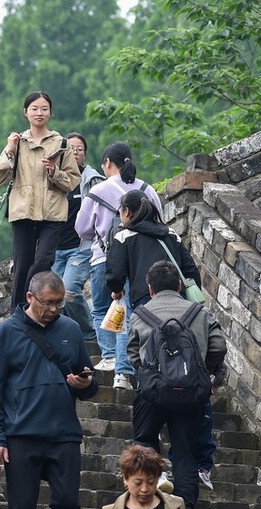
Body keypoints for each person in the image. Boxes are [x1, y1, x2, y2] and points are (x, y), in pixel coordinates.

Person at [0, 271, 98, 509]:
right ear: (30, 297)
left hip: (64, 433)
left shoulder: (70, 330)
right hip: (22, 433)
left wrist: (84, 383)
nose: (54, 309)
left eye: (59, 303)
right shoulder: (5, 332)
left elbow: (89, 383)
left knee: (68, 501)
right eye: (48, 303)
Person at [126, 261, 226, 509]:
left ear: (150, 289)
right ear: (180, 286)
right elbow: (218, 346)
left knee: (144, 441)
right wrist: (202, 370)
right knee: (185, 452)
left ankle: (153, 488)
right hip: (190, 395)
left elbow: (133, 354)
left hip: (153, 393)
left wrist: (148, 374)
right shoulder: (200, 313)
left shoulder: (140, 314)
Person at [74, 143, 162, 388]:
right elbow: (160, 222)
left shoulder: (98, 191)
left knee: (101, 308)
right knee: (129, 312)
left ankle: (110, 356)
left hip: (103, 258)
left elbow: (81, 229)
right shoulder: (147, 189)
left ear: (108, 163)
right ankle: (123, 373)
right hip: (139, 260)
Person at [0, 92, 81, 310]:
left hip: (53, 212)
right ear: (25, 113)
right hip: (23, 211)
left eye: (44, 109)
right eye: (34, 109)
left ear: (51, 113)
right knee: (22, 265)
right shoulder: (17, 143)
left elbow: (73, 180)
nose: (39, 113)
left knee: (43, 262)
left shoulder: (62, 143)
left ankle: (29, 306)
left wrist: (55, 172)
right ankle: (18, 312)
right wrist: (9, 152)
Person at [51, 132, 103, 342]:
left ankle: (89, 334)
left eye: (79, 150)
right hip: (55, 249)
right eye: (70, 149)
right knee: (53, 294)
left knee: (69, 290)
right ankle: (68, 336)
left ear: (85, 154)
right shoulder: (52, 178)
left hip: (81, 248)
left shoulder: (93, 181)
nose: (75, 153)